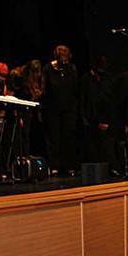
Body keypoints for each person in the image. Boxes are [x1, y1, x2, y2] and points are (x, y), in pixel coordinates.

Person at [43, 45, 78, 176]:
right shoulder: (48, 69)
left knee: (68, 137)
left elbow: (74, 88)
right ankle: (54, 166)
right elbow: (45, 88)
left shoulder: (72, 68)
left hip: (69, 109)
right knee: (54, 138)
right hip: (53, 109)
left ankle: (69, 166)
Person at [79, 54, 112, 164]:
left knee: (105, 144)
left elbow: (108, 98)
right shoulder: (86, 79)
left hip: (104, 117)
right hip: (90, 118)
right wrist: (86, 118)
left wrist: (105, 120)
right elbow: (84, 100)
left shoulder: (106, 79)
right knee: (92, 146)